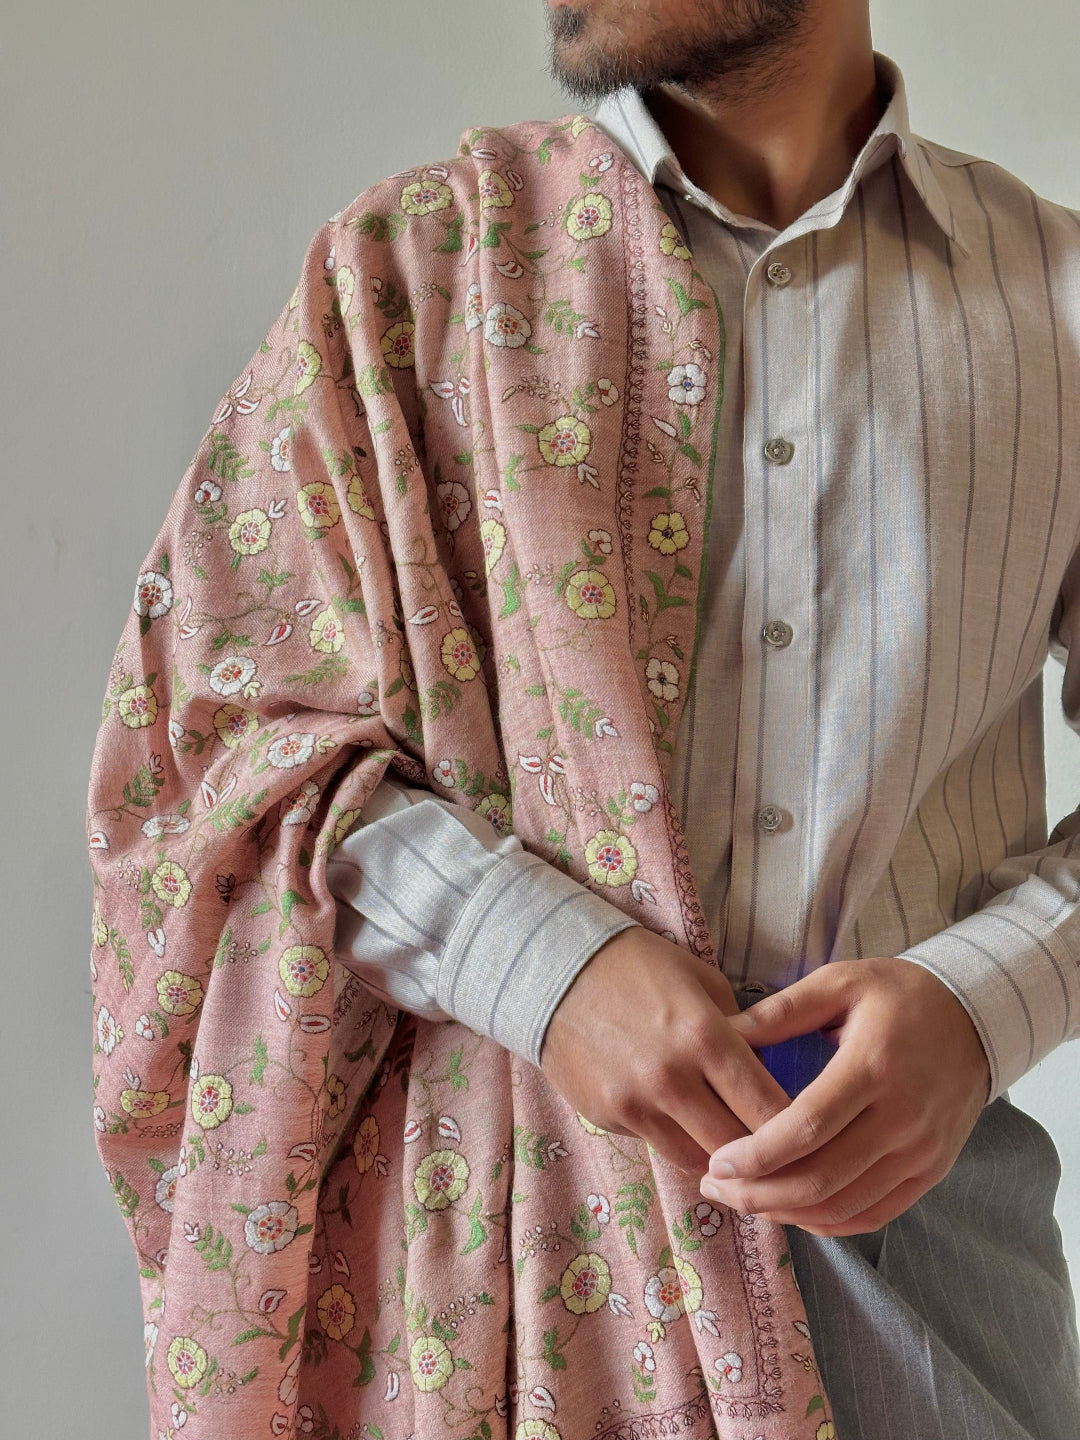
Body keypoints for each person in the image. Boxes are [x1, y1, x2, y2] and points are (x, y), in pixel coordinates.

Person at [88, 2, 1080, 1437]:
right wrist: (547, 969)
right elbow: (222, 750)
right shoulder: (410, 280)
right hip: (498, 1272)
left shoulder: (1054, 308)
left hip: (922, 1256)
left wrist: (987, 1002)